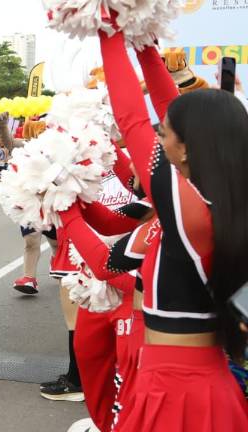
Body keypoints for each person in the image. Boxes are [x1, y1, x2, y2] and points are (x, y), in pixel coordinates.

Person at [93, 23, 248, 431]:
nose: (158, 137)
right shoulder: (222, 205)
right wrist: (145, 43)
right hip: (199, 384)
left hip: (177, 393)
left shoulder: (192, 213)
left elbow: (130, 118)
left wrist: (106, 25)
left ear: (188, 144)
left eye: (164, 132)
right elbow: (169, 110)